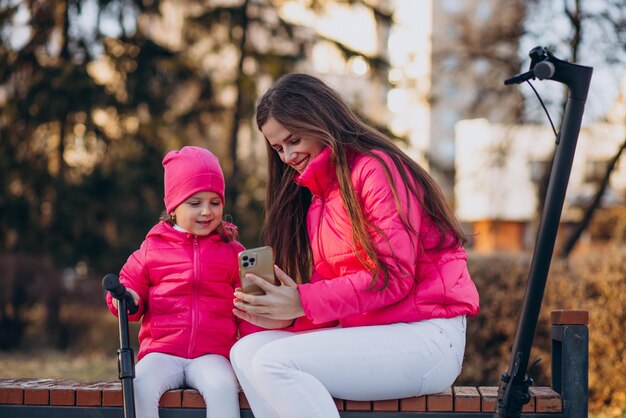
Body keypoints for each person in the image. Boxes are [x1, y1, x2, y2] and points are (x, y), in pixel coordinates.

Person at [229, 73, 480, 418]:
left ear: (319, 119)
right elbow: (338, 296)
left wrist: (301, 301)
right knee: (247, 352)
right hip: (374, 333)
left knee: (275, 362)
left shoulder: (376, 169)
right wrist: (287, 319)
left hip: (427, 336)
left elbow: (392, 277)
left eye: (293, 139)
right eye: (277, 148)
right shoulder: (320, 198)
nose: (287, 155)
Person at [106, 146, 260, 418]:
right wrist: (128, 298)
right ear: (173, 207)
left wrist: (255, 345)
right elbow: (129, 285)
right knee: (139, 385)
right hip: (162, 352)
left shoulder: (233, 252)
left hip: (212, 354)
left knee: (223, 387)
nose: (206, 211)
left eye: (215, 202)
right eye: (195, 203)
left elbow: (248, 307)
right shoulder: (153, 248)